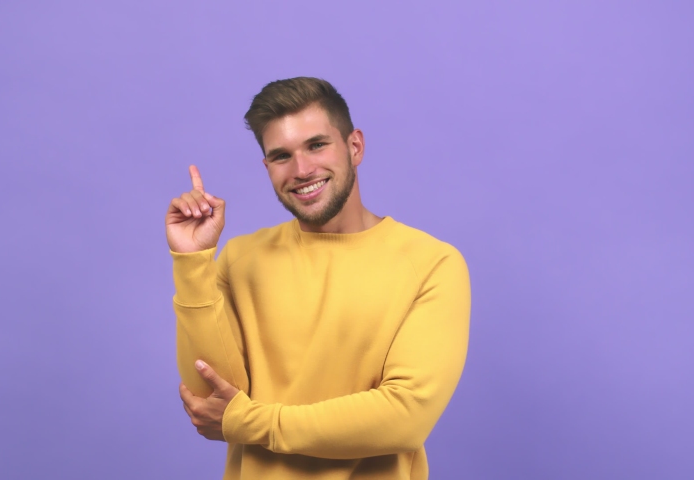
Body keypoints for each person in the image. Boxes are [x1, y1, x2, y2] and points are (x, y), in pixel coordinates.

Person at [165, 77, 471, 479]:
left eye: (316, 145)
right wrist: (192, 262)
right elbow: (211, 402)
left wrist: (253, 423)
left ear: (354, 146)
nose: (302, 170)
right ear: (267, 168)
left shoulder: (432, 264)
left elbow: (405, 417)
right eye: (281, 156)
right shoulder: (242, 259)